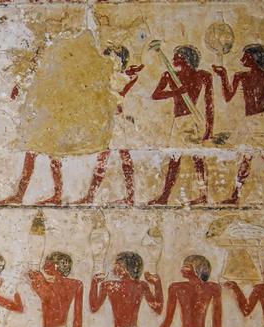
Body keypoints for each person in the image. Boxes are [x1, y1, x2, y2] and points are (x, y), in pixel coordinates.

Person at [212, 44, 264, 205]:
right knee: (245, 159)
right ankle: (236, 196)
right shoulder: (240, 76)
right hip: (248, 122)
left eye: (245, 56)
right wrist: (223, 76)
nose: (242, 59)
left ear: (254, 58)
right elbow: (228, 96)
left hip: (260, 121)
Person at [77, 45, 145, 205]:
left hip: (117, 121)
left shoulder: (121, 77)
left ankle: (126, 197)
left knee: (121, 157)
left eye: (113, 58)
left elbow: (119, 93)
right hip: (108, 120)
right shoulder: (107, 76)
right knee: (107, 157)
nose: (108, 61)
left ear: (121, 61)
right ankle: (92, 197)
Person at [147, 44, 212, 206]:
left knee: (196, 158)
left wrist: (209, 128)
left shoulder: (203, 75)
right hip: (178, 122)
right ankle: (165, 196)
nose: (174, 59)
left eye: (177, 56)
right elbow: (155, 95)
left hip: (192, 119)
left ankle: (202, 195)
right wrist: (176, 92)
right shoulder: (169, 75)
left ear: (186, 58)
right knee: (175, 160)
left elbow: (209, 103)